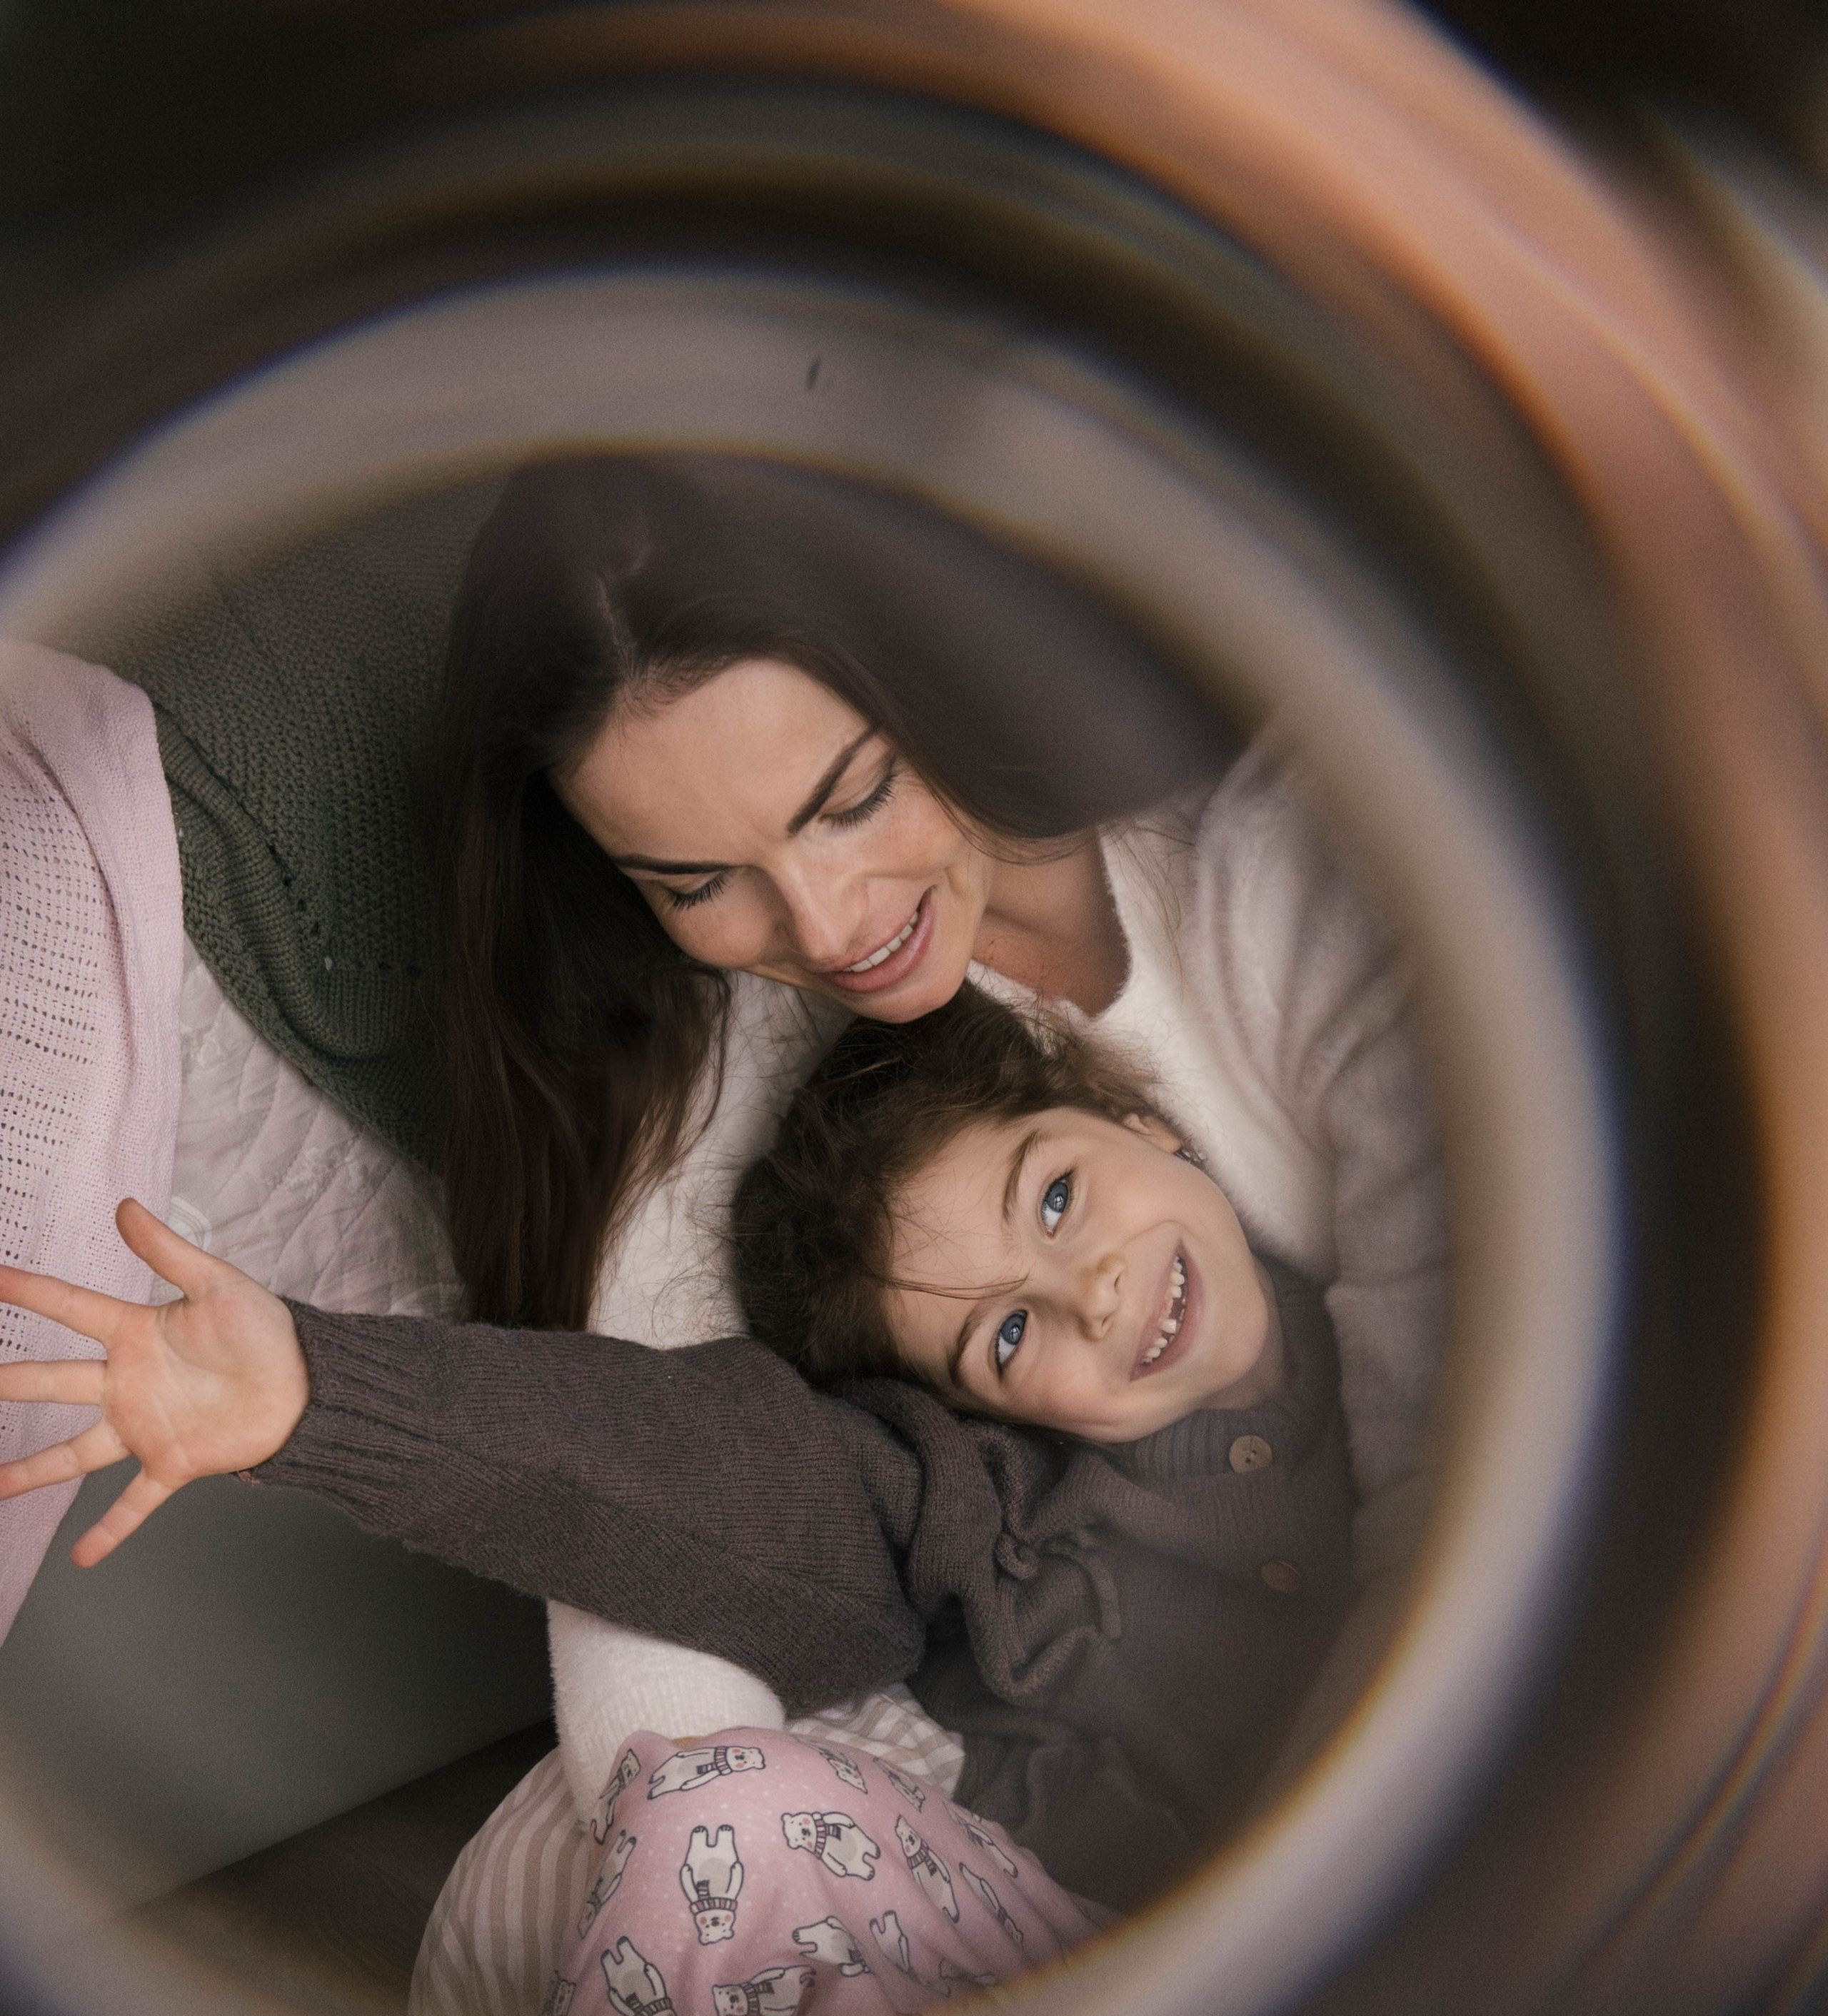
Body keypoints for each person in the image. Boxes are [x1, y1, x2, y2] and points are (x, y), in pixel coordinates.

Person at [425, 455, 1447, 1825]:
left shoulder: (1284, 870)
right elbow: (648, 1599)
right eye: (699, 883)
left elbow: (1482, 1420)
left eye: (849, 799)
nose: (828, 927)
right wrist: (720, 1858)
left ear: (942, 675)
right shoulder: (700, 1096)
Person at [0, 992, 1355, 1937]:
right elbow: (681, 1465)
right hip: (1135, 1964)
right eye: (1007, 1337)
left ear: (1139, 1118)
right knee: (712, 1823)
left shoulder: (1404, 1295)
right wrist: (317, 1393)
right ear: (985, 1416)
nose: (1096, 1294)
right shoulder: (988, 1513)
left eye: (1057, 1197)